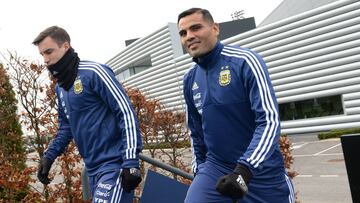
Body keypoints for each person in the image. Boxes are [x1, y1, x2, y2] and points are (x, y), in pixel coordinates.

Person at [178, 8, 295, 203]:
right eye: (183, 33)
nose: (189, 36)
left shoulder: (246, 61)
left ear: (215, 28)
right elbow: (196, 132)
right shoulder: (189, 79)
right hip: (216, 167)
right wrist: (200, 171)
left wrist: (245, 169)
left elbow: (269, 121)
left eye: (195, 28)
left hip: (261, 173)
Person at [33, 26, 143, 203]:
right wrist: (49, 156)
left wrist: (130, 161)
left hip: (115, 165)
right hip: (92, 170)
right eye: (42, 55)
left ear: (65, 46)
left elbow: (125, 112)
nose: (45, 59)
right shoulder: (60, 87)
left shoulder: (94, 72)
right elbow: (66, 127)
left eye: (49, 52)